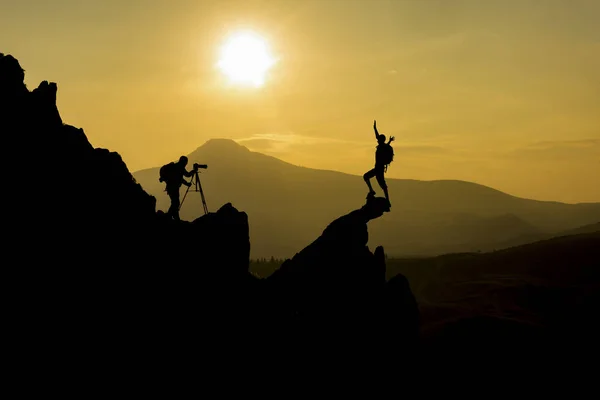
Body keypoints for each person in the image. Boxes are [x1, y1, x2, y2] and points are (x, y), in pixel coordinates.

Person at [363, 119, 394, 206]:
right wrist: (374, 128)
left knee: (382, 185)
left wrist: (375, 128)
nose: (377, 139)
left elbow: (379, 139)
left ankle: (387, 200)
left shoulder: (382, 146)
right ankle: (374, 192)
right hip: (378, 168)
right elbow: (380, 138)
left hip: (378, 169)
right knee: (368, 177)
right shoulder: (383, 146)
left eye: (379, 139)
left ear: (381, 140)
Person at [160, 155, 194, 220]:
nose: (186, 164)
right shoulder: (180, 167)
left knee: (175, 202)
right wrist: (193, 172)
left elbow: (183, 177)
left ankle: (175, 217)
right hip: (173, 187)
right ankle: (169, 216)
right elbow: (185, 176)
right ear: (184, 162)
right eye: (186, 162)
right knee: (175, 202)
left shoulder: (176, 166)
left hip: (171, 187)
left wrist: (187, 182)